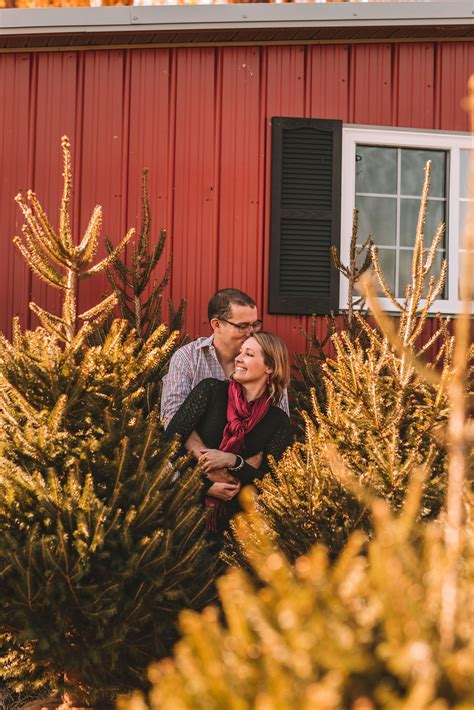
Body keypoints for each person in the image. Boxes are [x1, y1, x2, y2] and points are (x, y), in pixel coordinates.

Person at [165, 332, 292, 533]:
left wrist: (233, 461)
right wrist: (205, 486)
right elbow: (170, 443)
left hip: (239, 528)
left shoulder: (278, 422)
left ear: (270, 367)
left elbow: (269, 481)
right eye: (240, 352)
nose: (238, 358)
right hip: (185, 516)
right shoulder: (210, 391)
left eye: (249, 354)